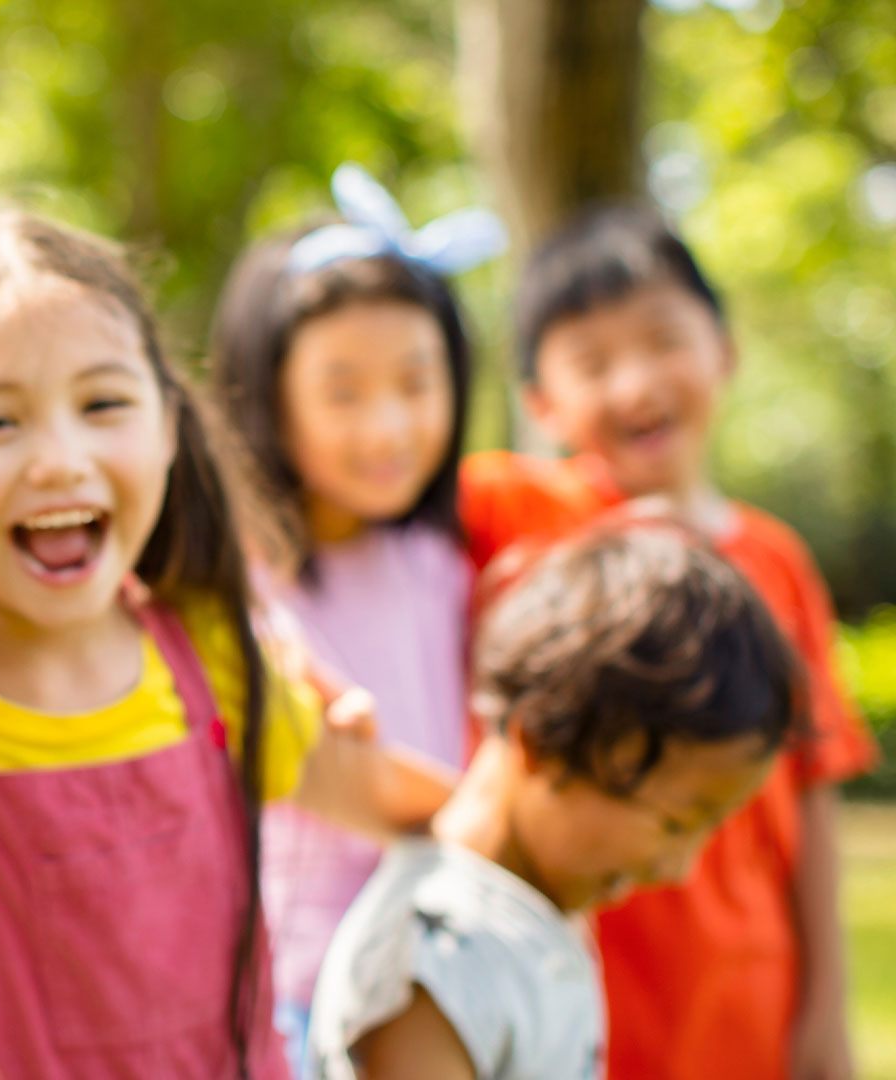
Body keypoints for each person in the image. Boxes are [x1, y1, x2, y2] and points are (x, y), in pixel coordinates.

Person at [0, 206, 454, 1080]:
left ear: (167, 425)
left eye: (103, 404)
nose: (59, 459)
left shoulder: (219, 656)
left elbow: (399, 804)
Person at [459, 206, 878, 1080]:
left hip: (745, 996)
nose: (635, 383)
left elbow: (811, 800)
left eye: (662, 340)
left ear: (724, 349)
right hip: (569, 990)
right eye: (591, 363)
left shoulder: (780, 566)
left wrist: (827, 1016)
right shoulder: (517, 510)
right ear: (541, 403)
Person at [309, 524, 800, 1080]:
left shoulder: (533, 912)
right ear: (540, 742)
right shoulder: (434, 962)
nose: (678, 868)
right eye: (673, 823)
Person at [209, 164, 504, 1072]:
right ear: (269, 395)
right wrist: (523, 845)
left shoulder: (442, 561)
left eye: (416, 383)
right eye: (343, 392)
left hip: (443, 985)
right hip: (305, 1001)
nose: (387, 428)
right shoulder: (240, 587)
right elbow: (347, 781)